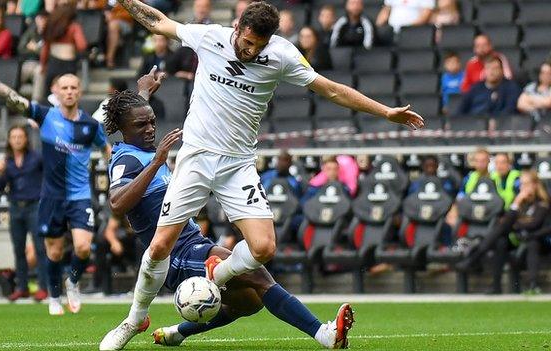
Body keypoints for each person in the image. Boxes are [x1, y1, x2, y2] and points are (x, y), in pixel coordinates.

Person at [102, 1, 423, 347]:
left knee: (264, 247)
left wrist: (385, 111)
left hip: (237, 164)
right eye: (247, 42)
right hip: (196, 157)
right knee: (160, 244)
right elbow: (158, 21)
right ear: (237, 27)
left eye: (259, 45)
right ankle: (134, 319)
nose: (250, 51)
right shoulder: (209, 37)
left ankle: (219, 273)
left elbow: (331, 89)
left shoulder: (282, 55)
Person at [99, 88, 354, 350]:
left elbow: (134, 116)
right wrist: (158, 161)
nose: (150, 128)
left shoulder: (141, 147)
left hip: (192, 241)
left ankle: (178, 333)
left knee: (250, 302)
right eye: (141, 124)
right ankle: (324, 334)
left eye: (152, 121)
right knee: (259, 278)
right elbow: (117, 203)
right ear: (123, 127)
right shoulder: (127, 159)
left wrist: (143, 91)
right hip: (173, 255)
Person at [0, 55, 111, 315]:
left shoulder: (91, 126)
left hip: (79, 195)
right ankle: (54, 295)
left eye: (73, 87)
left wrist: (118, 176)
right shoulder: (45, 117)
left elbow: (106, 150)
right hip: (52, 196)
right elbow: (13, 99)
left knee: (82, 246)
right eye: (64, 87)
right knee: (54, 252)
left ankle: (74, 282)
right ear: (56, 91)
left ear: (79, 92)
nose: (69, 92)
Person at [455, 170, 548, 294]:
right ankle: (496, 286)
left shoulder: (544, 202)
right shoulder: (520, 202)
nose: (522, 188)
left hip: (539, 240)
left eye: (525, 184)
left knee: (532, 243)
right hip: (520, 238)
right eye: (521, 185)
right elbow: (506, 222)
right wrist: (516, 203)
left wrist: (517, 225)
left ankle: (533, 285)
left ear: (535, 184)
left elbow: (535, 224)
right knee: (500, 241)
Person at [0, 125, 49, 302]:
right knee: (18, 249)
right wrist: (0, 172)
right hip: (15, 207)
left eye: (20, 136)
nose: (17, 140)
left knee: (40, 248)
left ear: (26, 139)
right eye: (14, 137)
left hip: (35, 206)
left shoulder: (37, 157)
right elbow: (0, 187)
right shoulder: (7, 161)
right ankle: (22, 287)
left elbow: (49, 177)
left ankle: (43, 287)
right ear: (9, 141)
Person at [40, 3, 87, 100]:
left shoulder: (50, 27)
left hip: (53, 64)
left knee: (48, 96)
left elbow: (45, 49)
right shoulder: (74, 27)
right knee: (69, 96)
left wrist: (43, 65)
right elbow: (82, 45)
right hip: (68, 64)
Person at [17, 10, 48, 102]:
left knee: (40, 72)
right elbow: (20, 48)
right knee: (15, 72)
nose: (41, 21)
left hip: (42, 64)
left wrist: (34, 48)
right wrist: (37, 50)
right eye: (39, 19)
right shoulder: (31, 32)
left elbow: (48, 53)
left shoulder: (50, 33)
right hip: (27, 62)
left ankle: (35, 103)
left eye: (44, 19)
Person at [103, 1, 134, 69]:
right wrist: (106, 13)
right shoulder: (111, 1)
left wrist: (114, 16)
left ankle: (109, 58)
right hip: (110, 23)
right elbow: (105, 7)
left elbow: (131, 13)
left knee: (113, 26)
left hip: (126, 22)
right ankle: (117, 39)